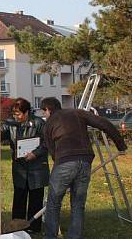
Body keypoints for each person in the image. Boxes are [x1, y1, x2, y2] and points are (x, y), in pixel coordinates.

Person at [41, 97, 127, 239]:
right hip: (85, 160)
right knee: (78, 203)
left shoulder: (49, 123)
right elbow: (103, 123)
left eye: (44, 112)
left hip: (64, 162)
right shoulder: (78, 112)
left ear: (48, 110)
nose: (44, 115)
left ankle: (51, 236)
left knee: (53, 203)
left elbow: (52, 151)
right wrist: (120, 145)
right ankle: (75, 236)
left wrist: (62, 172)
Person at [0, 98, 49, 233]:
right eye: (14, 114)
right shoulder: (11, 124)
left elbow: (48, 143)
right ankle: (17, 227)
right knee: (19, 197)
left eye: (18, 114)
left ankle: (33, 228)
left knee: (36, 198)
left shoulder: (39, 123)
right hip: (20, 168)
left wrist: (35, 153)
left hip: (37, 167)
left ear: (26, 113)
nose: (16, 116)